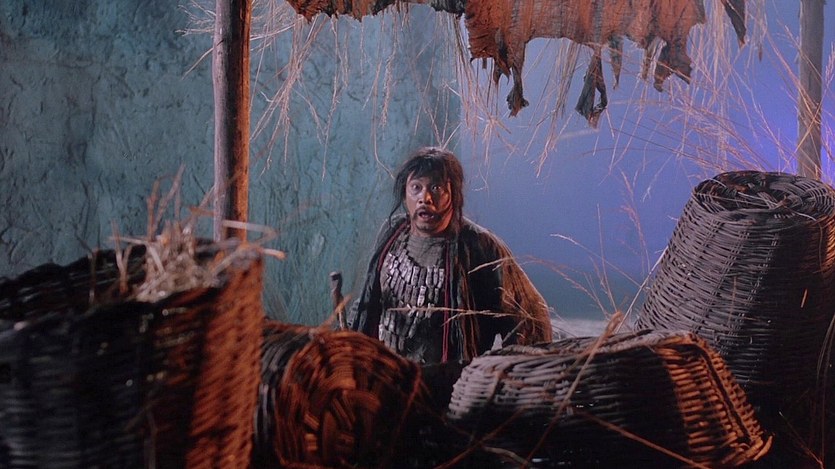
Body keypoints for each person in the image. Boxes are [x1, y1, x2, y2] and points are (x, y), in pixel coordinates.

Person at [347, 146, 552, 364]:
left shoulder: (478, 245)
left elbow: (529, 316)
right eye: (416, 187)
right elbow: (368, 298)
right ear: (405, 194)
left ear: (453, 194)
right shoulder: (391, 233)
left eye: (436, 187)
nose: (425, 198)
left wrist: (510, 372)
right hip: (387, 373)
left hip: (450, 379)